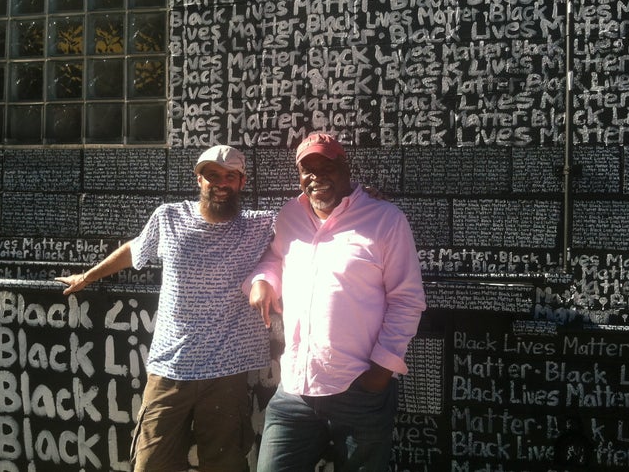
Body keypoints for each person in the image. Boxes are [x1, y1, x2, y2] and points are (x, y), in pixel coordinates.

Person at [55, 145, 275, 472]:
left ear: (242, 182)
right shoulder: (169, 217)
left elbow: (312, 221)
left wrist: (364, 198)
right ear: (198, 179)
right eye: (212, 175)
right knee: (150, 462)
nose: (221, 183)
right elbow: (135, 250)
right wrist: (88, 276)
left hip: (226, 373)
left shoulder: (260, 224)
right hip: (170, 368)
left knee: (225, 463)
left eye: (231, 176)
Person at [246, 132, 427, 472]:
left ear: (344, 167)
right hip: (295, 389)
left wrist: (379, 372)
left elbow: (407, 299)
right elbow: (275, 257)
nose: (315, 176)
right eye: (307, 168)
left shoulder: (385, 220)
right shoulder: (290, 216)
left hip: (359, 388)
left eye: (325, 165)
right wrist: (263, 280)